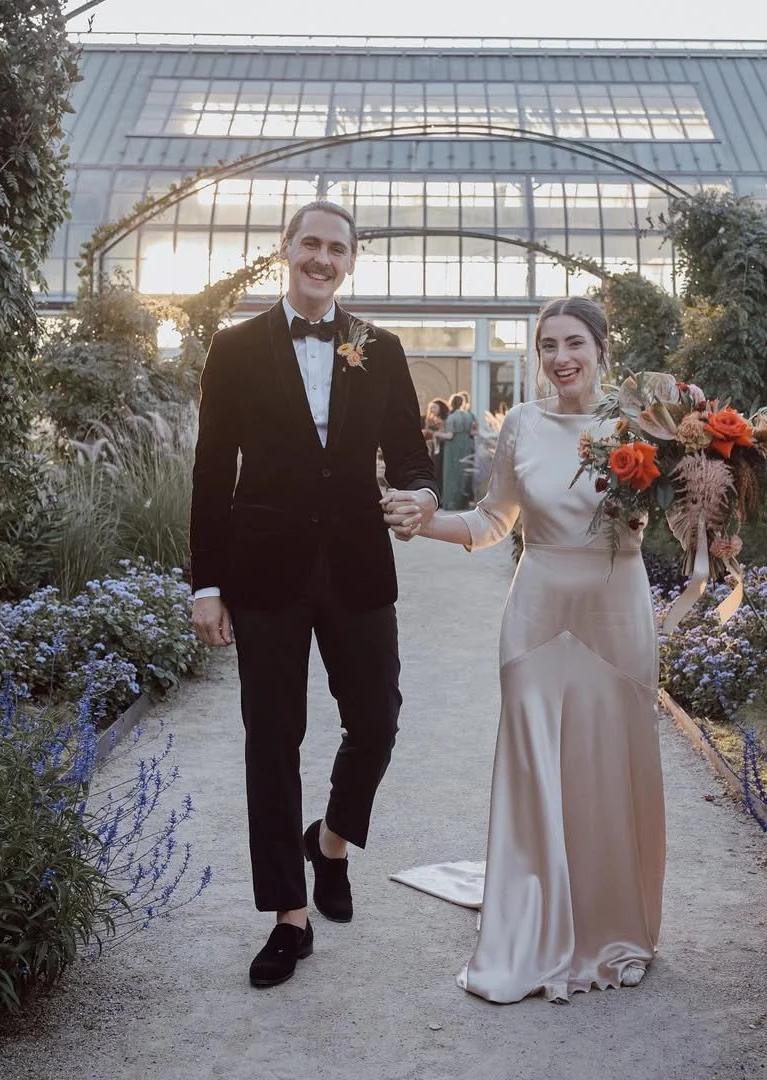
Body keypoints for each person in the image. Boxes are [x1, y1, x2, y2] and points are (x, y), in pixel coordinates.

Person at [382, 297, 665, 1003]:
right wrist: (426, 521)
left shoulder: (647, 427)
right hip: (537, 616)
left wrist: (712, 540)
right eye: (547, 345)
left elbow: (691, 509)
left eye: (574, 343)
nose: (561, 358)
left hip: (616, 619)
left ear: (602, 347)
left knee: (610, 767)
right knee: (536, 771)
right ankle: (533, 927)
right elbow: (491, 519)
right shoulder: (524, 427)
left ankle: (609, 923)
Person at [189, 199, 440, 989]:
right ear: (285, 250)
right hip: (263, 570)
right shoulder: (232, 349)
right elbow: (208, 475)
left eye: (337, 248)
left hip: (358, 563)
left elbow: (409, 454)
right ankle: (287, 918)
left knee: (378, 721)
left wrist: (422, 496)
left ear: (350, 261)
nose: (322, 258)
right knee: (272, 738)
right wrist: (206, 583)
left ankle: (329, 842)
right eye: (311, 244)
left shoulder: (381, 347)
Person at [439, 392, 477, 511]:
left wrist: (437, 434)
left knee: (451, 475)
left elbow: (450, 435)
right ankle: (463, 503)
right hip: (467, 445)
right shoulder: (469, 416)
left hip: (453, 447)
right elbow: (473, 432)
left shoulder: (451, 417)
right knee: (464, 474)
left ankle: (451, 504)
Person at [422, 397, 449, 488]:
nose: (432, 409)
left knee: (439, 468)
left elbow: (442, 433)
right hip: (434, 447)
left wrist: (432, 433)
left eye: (434, 407)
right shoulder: (431, 420)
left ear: (440, 407)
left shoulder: (445, 420)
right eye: (431, 407)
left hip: (442, 447)